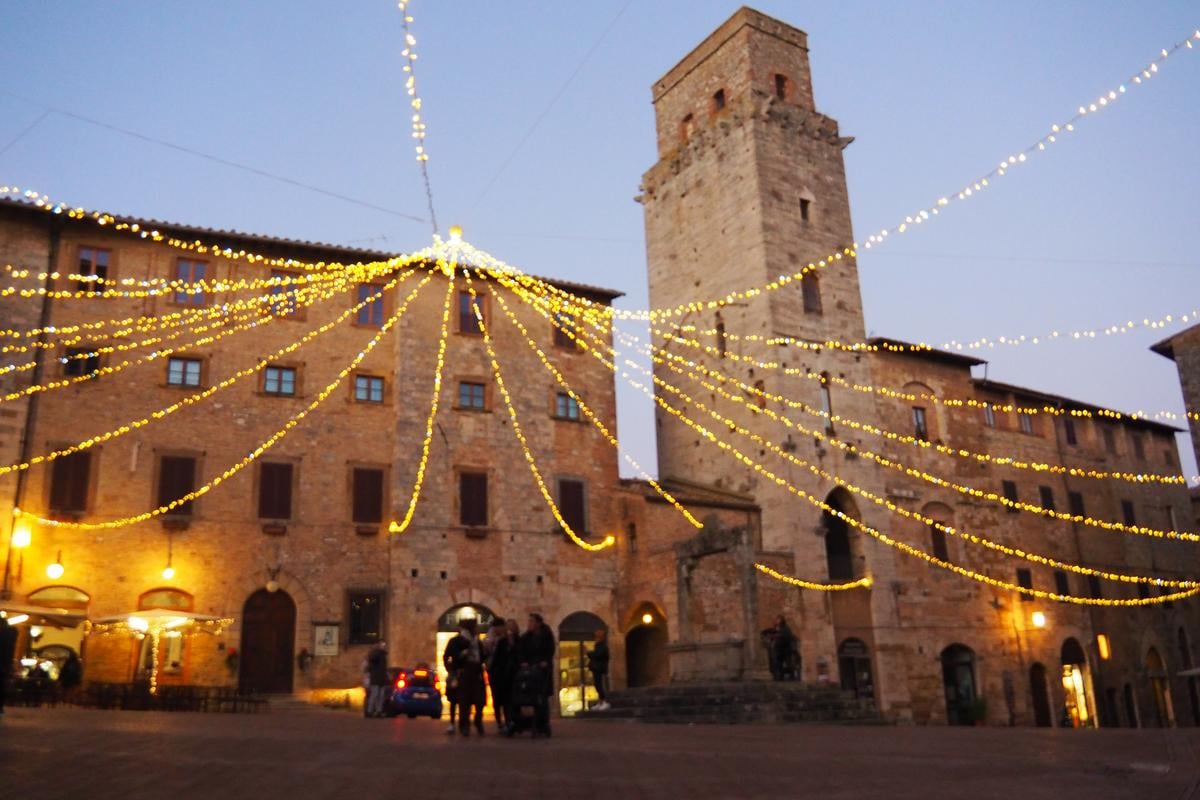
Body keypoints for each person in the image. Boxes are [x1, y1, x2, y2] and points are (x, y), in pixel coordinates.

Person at [443, 618, 485, 736]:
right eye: (475, 627)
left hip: (476, 672)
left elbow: (482, 657)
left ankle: (477, 721)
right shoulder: (456, 641)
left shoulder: (477, 641)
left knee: (479, 700)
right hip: (463, 673)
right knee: (464, 701)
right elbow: (447, 656)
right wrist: (451, 670)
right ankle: (464, 726)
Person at [518, 612, 556, 736]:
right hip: (530, 671)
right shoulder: (526, 637)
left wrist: (545, 661)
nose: (529, 624)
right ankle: (528, 722)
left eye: (532, 621)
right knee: (529, 696)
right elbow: (522, 651)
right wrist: (524, 662)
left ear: (538, 623)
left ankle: (543, 723)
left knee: (543, 698)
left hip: (543, 671)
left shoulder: (546, 635)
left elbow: (550, 650)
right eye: (529, 621)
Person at [485, 617, 510, 732]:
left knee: (505, 698)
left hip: (503, 672)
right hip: (495, 672)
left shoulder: (506, 639)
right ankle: (500, 722)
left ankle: (507, 721)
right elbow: (486, 654)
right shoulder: (490, 640)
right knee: (497, 698)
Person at [587, 628, 610, 711]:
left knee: (600, 685)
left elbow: (598, 655)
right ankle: (600, 702)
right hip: (596, 668)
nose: (595, 638)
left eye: (596, 637)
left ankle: (604, 702)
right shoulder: (598, 646)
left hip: (599, 669)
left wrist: (589, 653)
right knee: (597, 685)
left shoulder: (602, 646)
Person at [366, 641, 389, 718]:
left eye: (384, 645)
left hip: (382, 678)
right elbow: (372, 661)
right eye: (382, 645)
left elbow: (384, 668)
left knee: (381, 696)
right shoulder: (375, 654)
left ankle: (378, 711)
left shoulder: (384, 655)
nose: (384, 646)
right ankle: (370, 711)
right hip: (375, 678)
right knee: (375, 695)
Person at [0, 617, 17, 716]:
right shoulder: (10, 636)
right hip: (4, 665)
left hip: (2, 664)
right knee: (1, 686)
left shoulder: (3, 636)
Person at [773, 616, 796, 681]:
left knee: (788, 663)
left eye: (778, 619)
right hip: (779, 649)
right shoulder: (776, 628)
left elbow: (788, 636)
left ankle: (792, 676)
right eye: (776, 619)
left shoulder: (785, 628)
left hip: (786, 648)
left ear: (781, 620)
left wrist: (779, 635)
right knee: (779, 664)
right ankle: (781, 677)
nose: (777, 621)